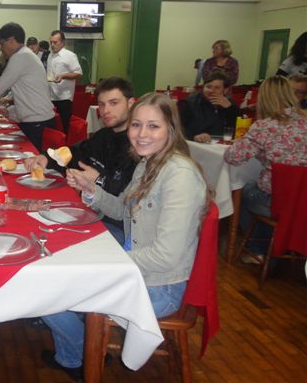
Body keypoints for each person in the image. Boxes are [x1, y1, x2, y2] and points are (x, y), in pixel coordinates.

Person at [40, 92, 209, 380]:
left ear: (171, 129)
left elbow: (166, 256)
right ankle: (74, 354)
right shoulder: (148, 162)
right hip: (136, 267)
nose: (142, 134)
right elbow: (122, 209)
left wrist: (106, 264)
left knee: (49, 294)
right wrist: (91, 190)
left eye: (153, 126)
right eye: (136, 125)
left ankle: (83, 354)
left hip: (158, 286)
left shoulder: (179, 176)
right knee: (60, 254)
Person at [24, 77, 136, 244]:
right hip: (90, 211)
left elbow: (124, 201)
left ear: (131, 103)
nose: (106, 110)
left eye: (114, 103)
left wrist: (98, 179)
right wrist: (46, 158)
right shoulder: (102, 136)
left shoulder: (139, 147)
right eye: (102, 104)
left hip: (117, 227)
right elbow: (74, 154)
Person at [224, 76, 307, 263]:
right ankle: (276, 245)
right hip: (303, 201)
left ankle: (256, 248)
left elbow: (232, 157)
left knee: (242, 190)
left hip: (277, 200)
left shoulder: (264, 127)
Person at [0, 22, 55, 151]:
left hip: (37, 123)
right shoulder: (25, 55)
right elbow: (26, 96)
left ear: (11, 40)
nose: (0, 49)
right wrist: (9, 112)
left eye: (1, 44)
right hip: (37, 120)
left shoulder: (20, 56)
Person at [179, 70, 238, 143]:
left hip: (221, 144)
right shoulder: (190, 102)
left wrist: (230, 109)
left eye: (217, 88)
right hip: (195, 143)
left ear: (225, 90)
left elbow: (234, 131)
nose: (211, 90)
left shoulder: (230, 104)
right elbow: (179, 128)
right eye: (208, 87)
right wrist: (194, 136)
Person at [47, 30, 83, 134]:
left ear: (63, 42)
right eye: (51, 42)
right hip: (50, 96)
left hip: (64, 97)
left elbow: (78, 73)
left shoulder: (70, 55)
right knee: (51, 125)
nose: (52, 45)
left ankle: (65, 143)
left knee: (64, 125)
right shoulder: (50, 55)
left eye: (55, 42)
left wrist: (63, 76)